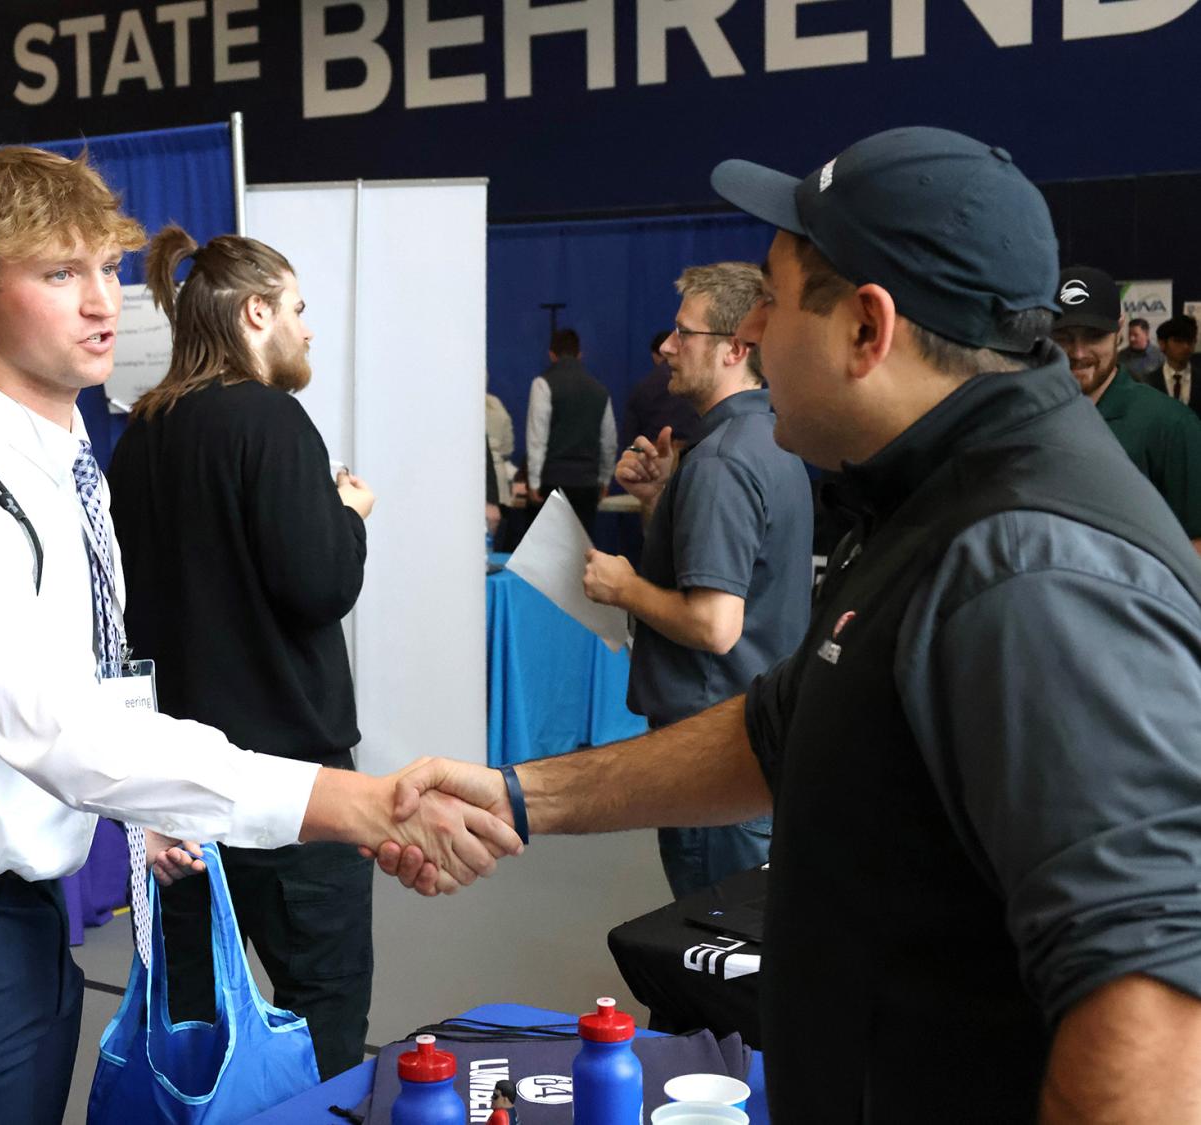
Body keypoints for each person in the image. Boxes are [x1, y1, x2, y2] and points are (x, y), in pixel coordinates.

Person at [377, 127, 1201, 1121]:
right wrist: (519, 795)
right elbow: (791, 725)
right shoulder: (928, 493)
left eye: (771, 297)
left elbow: (1150, 1020)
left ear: (867, 330)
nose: (752, 330)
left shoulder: (1030, 571)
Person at [0, 146, 519, 1125]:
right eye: (59, 273)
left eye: (109, 269)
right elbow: (66, 734)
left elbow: (96, 675)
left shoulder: (70, 459)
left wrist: (143, 815)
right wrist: (361, 804)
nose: (102, 304)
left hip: (17, 913)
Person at [107, 227, 381, 1079]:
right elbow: (320, 586)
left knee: (196, 1023)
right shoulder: (272, 422)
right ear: (256, 312)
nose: (306, 329)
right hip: (291, 790)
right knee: (323, 1016)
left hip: (178, 790)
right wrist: (349, 518)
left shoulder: (141, 435)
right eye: (296, 309)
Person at [583, 263, 811, 897]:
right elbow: (728, 577)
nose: (665, 347)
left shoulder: (722, 462)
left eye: (684, 333)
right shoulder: (769, 439)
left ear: (736, 349)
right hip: (750, 742)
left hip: (714, 754)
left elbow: (714, 624)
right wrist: (661, 498)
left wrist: (623, 586)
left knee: (717, 962)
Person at [1052, 265, 1201, 553]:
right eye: (1064, 336)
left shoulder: (1171, 425)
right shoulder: (1023, 419)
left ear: (1119, 328)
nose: (1078, 352)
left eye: (1094, 335)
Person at [525, 327, 616, 531]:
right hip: (587, 484)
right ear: (580, 354)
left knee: (549, 552)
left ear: (551, 355)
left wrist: (533, 481)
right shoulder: (600, 391)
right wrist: (604, 479)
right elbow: (609, 442)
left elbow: (537, 438)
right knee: (580, 553)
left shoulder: (543, 384)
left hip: (553, 480)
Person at [620, 329, 704, 452]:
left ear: (655, 355)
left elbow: (630, 437)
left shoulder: (643, 387)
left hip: (651, 456)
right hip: (693, 454)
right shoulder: (698, 384)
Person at [1156, 314, 1201, 422]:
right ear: (1162, 344)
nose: (1186, 346)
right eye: (1178, 340)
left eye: (1190, 341)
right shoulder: (1148, 382)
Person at [1118, 315, 1164, 382]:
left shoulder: (1159, 356)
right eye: (1130, 334)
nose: (1131, 338)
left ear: (1146, 334)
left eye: (1135, 335)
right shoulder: (1121, 356)